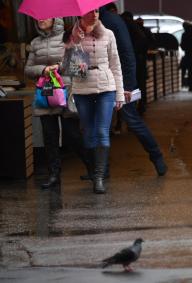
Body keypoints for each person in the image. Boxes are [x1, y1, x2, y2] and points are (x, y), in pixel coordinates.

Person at [99, 6, 168, 177]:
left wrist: (128, 85)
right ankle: (101, 169)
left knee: (131, 119)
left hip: (119, 79)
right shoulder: (89, 22)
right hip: (101, 80)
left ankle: (156, 155)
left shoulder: (111, 21)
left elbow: (127, 52)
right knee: (103, 124)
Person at [64, 8, 125, 194]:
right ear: (79, 15)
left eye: (97, 11)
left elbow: (115, 64)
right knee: (88, 131)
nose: (94, 14)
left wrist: (120, 94)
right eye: (90, 11)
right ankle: (92, 171)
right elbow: (66, 66)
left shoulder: (108, 34)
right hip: (82, 87)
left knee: (101, 130)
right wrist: (73, 44)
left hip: (106, 87)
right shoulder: (71, 35)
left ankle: (99, 177)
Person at [24, 17, 89, 189]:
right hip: (45, 94)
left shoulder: (69, 37)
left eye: (45, 17)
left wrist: (59, 67)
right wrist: (43, 70)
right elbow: (27, 69)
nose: (40, 20)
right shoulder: (35, 42)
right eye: (38, 18)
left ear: (55, 19)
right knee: (50, 136)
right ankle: (54, 175)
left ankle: (94, 167)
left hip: (66, 92)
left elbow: (82, 68)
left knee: (72, 135)